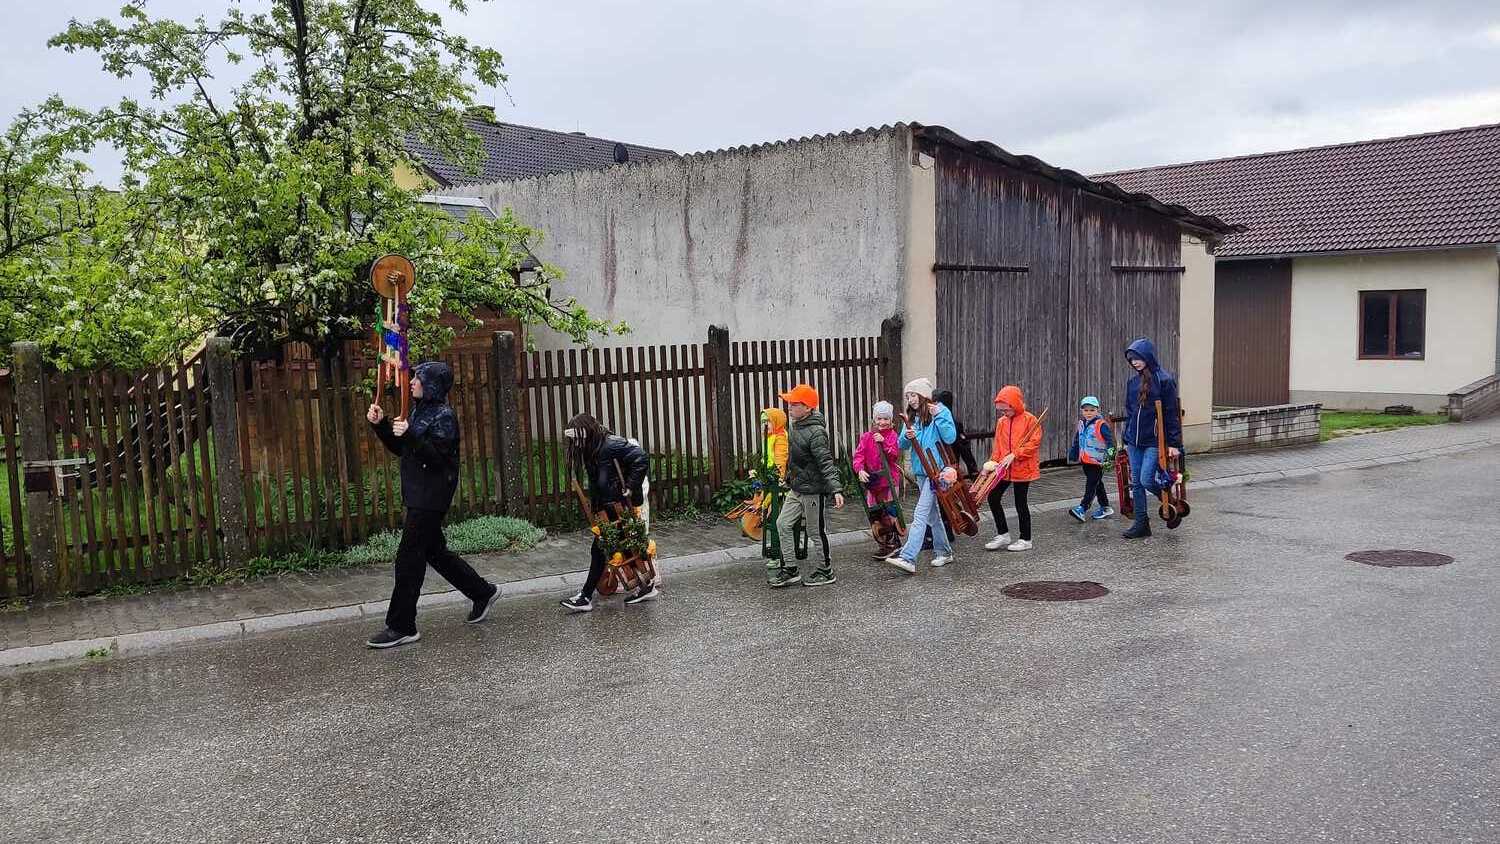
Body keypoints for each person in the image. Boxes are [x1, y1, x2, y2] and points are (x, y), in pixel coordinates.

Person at [364, 362, 498, 649]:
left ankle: (402, 625)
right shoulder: (419, 411)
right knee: (435, 553)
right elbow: (402, 448)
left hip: (432, 496)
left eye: (418, 378)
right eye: (413, 377)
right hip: (417, 493)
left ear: (433, 384)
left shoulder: (444, 417)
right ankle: (482, 592)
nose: (412, 382)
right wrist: (381, 425)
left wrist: (410, 435)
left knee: (408, 557)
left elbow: (437, 459)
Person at [559, 413, 657, 611]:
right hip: (607, 508)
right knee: (622, 549)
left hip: (620, 507)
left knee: (604, 549)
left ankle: (585, 597)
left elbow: (641, 457)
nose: (576, 443)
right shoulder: (591, 449)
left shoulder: (610, 444)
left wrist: (630, 486)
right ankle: (646, 587)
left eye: (577, 438)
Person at [769, 383, 845, 588]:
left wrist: (836, 489)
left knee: (815, 531)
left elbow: (826, 462)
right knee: (782, 524)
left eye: (795, 404)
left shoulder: (817, 432)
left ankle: (825, 570)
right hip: (796, 488)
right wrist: (786, 476)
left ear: (808, 408)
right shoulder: (795, 426)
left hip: (813, 491)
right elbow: (794, 459)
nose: (790, 408)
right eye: (790, 404)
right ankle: (791, 569)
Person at [887, 378, 959, 574]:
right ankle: (944, 552)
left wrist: (939, 416)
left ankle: (908, 557)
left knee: (920, 514)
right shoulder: (911, 418)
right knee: (933, 516)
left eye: (913, 395)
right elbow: (901, 445)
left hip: (937, 472)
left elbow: (950, 437)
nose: (910, 399)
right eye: (907, 396)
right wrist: (907, 436)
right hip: (921, 472)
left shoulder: (940, 412)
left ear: (923, 395)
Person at [1121, 337, 1183, 540]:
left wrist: (1174, 443)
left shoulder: (1164, 380)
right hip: (1134, 442)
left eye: (1138, 358)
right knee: (1137, 484)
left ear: (1148, 356)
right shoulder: (1132, 383)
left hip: (1154, 441)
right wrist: (1126, 436)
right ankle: (1141, 523)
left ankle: (1169, 500)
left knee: (1146, 479)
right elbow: (1130, 412)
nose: (1135, 363)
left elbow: (1171, 413)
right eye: (1131, 359)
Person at [982, 385, 1042, 552]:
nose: (1004, 413)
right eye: (1001, 410)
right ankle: (1003, 534)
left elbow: (1034, 443)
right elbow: (998, 446)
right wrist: (991, 464)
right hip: (1004, 468)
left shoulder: (1030, 420)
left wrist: (1015, 454)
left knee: (1020, 502)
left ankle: (1025, 539)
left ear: (1015, 405)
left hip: (1023, 467)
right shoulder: (1002, 422)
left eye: (1006, 410)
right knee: (993, 497)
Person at [852, 400, 906, 559]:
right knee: (875, 513)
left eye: (886, 419)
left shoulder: (893, 436)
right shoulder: (867, 437)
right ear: (874, 420)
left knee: (890, 512)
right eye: (879, 419)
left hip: (889, 482)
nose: (882, 422)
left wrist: (884, 443)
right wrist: (860, 469)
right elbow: (858, 456)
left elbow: (894, 456)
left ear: (891, 420)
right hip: (873, 482)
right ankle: (883, 544)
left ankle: (893, 543)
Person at [756, 407, 803, 581]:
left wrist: (779, 478)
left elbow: (781, 461)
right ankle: (777, 551)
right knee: (771, 518)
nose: (765, 425)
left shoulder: (781, 437)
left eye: (767, 421)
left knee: (776, 518)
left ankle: (778, 554)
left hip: (778, 485)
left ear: (776, 422)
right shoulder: (769, 437)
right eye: (763, 422)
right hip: (770, 482)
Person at [1067, 396, 1115, 521]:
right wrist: (1074, 453)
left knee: (1091, 485)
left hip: (1098, 462)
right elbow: (1078, 439)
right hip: (1086, 460)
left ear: (1097, 410)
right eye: (1086, 410)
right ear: (1082, 411)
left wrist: (1110, 457)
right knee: (1097, 484)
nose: (1089, 413)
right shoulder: (1082, 424)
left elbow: (1110, 442)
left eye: (1092, 410)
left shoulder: (1101, 425)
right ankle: (1105, 507)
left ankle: (1082, 508)